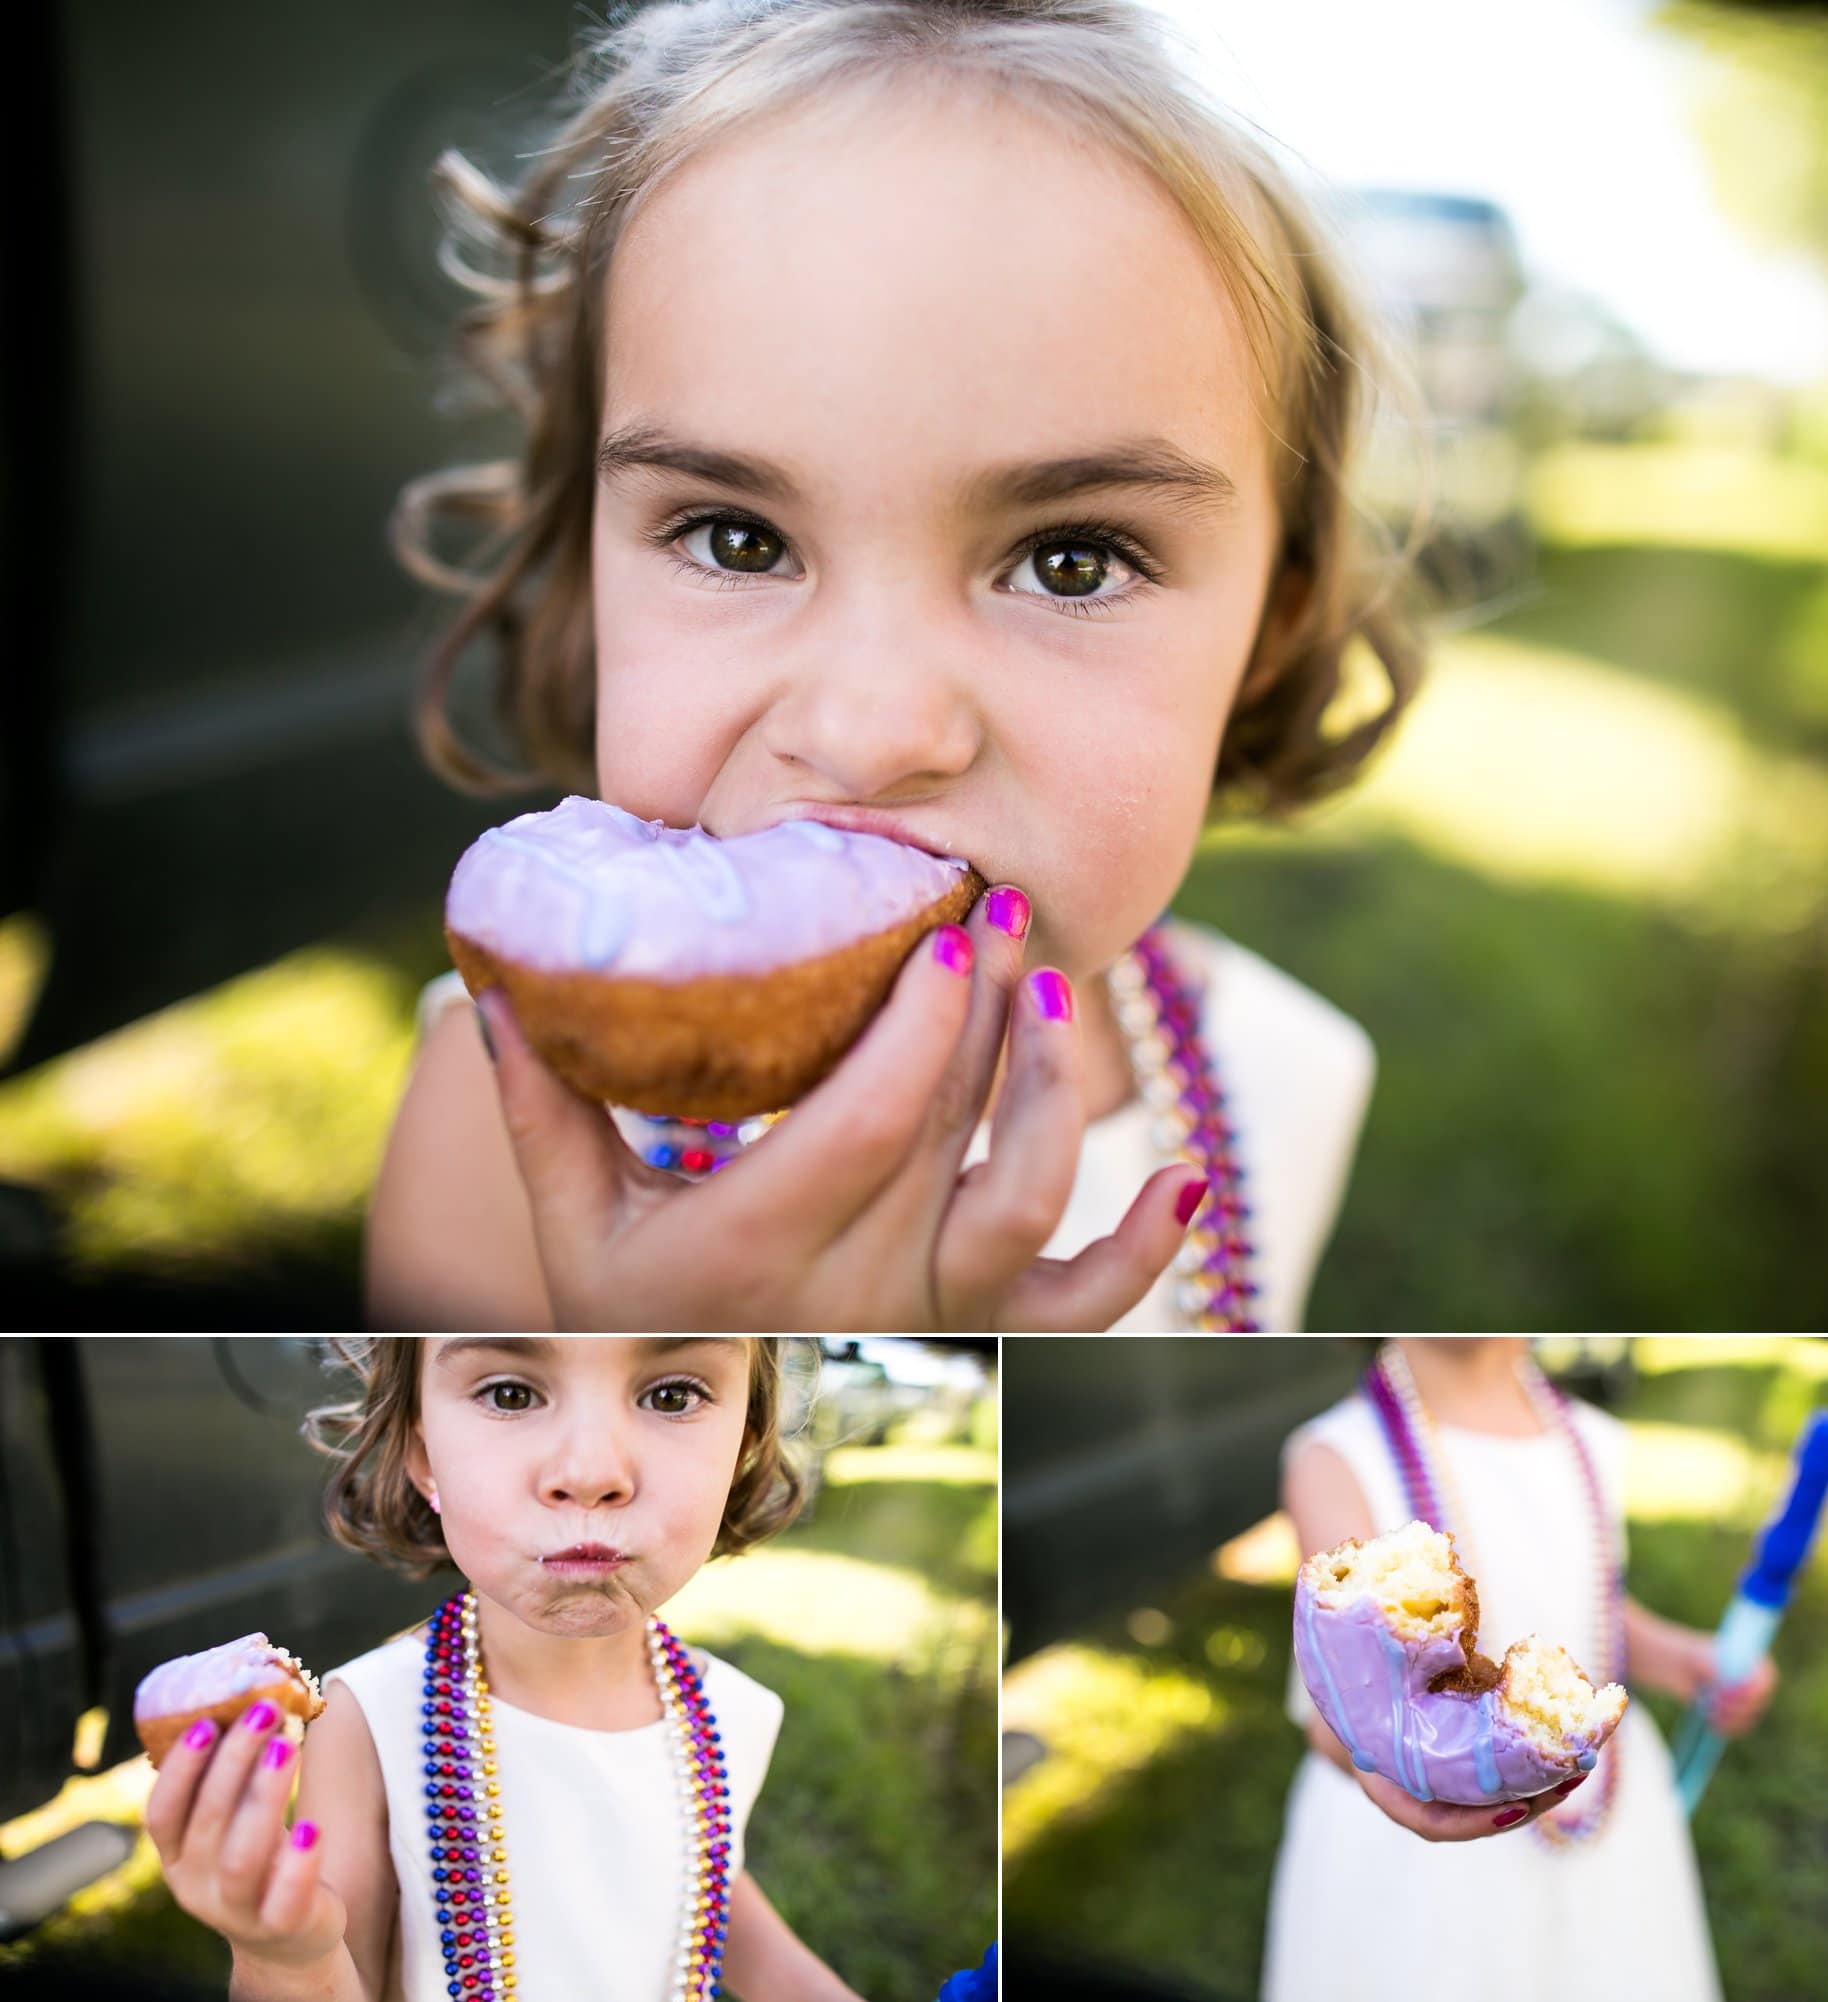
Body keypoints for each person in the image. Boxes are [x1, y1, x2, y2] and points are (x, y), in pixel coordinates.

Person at [363, 0, 1435, 1333]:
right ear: (587, 559)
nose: (874, 729)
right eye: (737, 537)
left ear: (1268, 631)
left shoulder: (1286, 1075)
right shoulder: (503, 1108)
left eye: (1071, 562)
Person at [144, 1336, 869, 2002]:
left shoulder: (734, 1714)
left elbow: (703, 1891)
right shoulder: (370, 1716)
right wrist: (285, 1955)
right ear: (423, 1457)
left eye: (672, 1395)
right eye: (511, 1394)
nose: (589, 1473)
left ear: (741, 1447)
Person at [1264, 1338, 1778, 2002]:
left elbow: (1593, 1598)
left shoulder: (1591, 1438)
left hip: (1592, 1809)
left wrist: (1681, 1658)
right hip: (1419, 1870)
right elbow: (1339, 1696)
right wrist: (1379, 1770)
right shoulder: (1336, 1455)